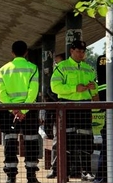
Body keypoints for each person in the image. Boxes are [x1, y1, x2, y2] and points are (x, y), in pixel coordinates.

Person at [50, 40, 98, 181]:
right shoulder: (61, 67)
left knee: (86, 138)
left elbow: (94, 87)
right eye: (78, 51)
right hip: (67, 106)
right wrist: (74, 89)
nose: (81, 54)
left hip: (84, 106)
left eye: (83, 51)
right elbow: (55, 87)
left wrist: (92, 90)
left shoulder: (89, 68)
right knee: (66, 139)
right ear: (71, 51)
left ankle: (86, 172)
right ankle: (64, 172)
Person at [0, 40, 40, 183]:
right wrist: (24, 110)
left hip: (9, 112)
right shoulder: (32, 68)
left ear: (12, 53)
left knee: (10, 141)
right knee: (31, 141)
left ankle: (11, 176)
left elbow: (1, 95)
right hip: (29, 111)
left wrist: (13, 109)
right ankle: (31, 176)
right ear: (26, 52)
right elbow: (33, 92)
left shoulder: (3, 70)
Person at [45, 53, 65, 179]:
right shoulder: (57, 72)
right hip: (58, 111)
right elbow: (49, 90)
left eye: (57, 61)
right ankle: (55, 169)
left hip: (65, 110)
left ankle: (59, 169)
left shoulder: (63, 69)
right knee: (57, 140)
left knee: (61, 140)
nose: (56, 63)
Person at [94, 54, 107, 183]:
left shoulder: (103, 58)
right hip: (109, 107)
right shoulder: (105, 58)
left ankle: (101, 178)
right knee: (107, 148)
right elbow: (103, 83)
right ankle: (101, 178)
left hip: (108, 106)